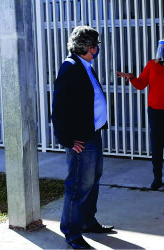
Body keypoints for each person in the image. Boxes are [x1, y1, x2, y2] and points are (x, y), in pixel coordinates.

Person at [51, 26, 114, 249]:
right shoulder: (70, 68)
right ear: (90, 47)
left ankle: (88, 221)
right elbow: (58, 110)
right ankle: (72, 233)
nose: (98, 49)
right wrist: (67, 140)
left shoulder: (85, 65)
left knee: (93, 180)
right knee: (78, 185)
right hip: (81, 139)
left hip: (93, 134)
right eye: (96, 45)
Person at [117, 36, 164, 190]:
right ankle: (157, 178)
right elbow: (141, 84)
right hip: (156, 113)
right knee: (157, 146)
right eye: (163, 46)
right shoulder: (152, 65)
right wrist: (132, 78)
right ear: (160, 48)